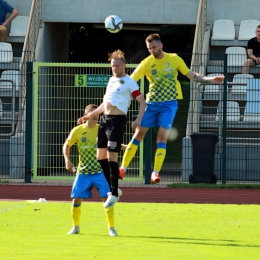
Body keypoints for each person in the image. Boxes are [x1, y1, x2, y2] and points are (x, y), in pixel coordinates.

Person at [119, 33, 225, 184]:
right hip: (151, 104)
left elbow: (192, 75)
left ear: (161, 45)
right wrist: (117, 87)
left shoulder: (174, 59)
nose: (152, 51)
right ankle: (123, 168)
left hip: (169, 105)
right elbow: (130, 80)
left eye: (154, 47)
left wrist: (210, 79)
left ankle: (155, 173)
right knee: (138, 135)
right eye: (149, 48)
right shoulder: (146, 63)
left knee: (162, 137)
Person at [78, 49, 146, 208]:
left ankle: (113, 193)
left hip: (117, 120)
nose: (115, 68)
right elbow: (105, 104)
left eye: (117, 65)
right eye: (112, 66)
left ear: (124, 65)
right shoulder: (111, 81)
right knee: (100, 156)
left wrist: (138, 118)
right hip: (104, 120)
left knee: (111, 156)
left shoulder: (129, 82)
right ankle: (115, 189)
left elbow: (142, 101)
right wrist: (91, 115)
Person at [63, 104, 119, 237]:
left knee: (107, 199)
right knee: (76, 200)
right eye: (92, 114)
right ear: (86, 115)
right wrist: (67, 160)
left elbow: (112, 143)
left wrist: (126, 147)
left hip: (100, 172)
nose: (96, 116)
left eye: (97, 114)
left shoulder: (103, 129)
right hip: (83, 172)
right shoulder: (77, 130)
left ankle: (111, 228)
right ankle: (75, 227)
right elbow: (67, 144)